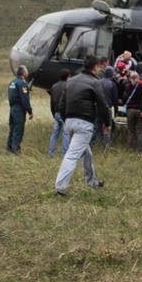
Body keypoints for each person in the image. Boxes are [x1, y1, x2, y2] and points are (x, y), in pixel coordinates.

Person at [54, 56, 111, 196]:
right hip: (84, 123)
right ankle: (60, 188)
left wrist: (65, 119)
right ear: (95, 67)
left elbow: (62, 103)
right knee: (72, 155)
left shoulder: (71, 80)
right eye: (98, 67)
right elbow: (103, 105)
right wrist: (107, 123)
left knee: (86, 153)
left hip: (69, 122)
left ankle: (92, 181)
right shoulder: (94, 82)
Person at [7, 65, 33, 154]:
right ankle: (16, 149)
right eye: (26, 71)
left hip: (12, 108)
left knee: (12, 128)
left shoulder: (12, 82)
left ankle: (9, 147)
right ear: (23, 73)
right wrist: (30, 111)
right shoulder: (22, 84)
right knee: (18, 129)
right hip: (19, 110)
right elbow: (25, 99)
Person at [123, 69, 142, 150]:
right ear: (138, 78)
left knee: (131, 130)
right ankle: (139, 149)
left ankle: (131, 147)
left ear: (130, 78)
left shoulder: (127, 87)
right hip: (139, 110)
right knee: (140, 130)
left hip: (130, 110)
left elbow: (124, 97)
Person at [48, 70, 70, 157]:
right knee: (66, 133)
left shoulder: (54, 86)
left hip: (56, 113)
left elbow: (52, 102)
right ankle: (64, 153)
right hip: (65, 114)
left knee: (55, 133)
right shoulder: (68, 86)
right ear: (67, 76)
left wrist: (53, 113)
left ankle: (50, 153)